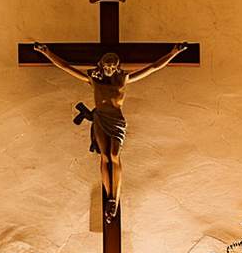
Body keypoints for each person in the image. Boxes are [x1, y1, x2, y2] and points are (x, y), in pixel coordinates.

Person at [32, 42, 188, 220]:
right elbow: (66, 67)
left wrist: (174, 52)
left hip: (116, 121)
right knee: (105, 156)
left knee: (114, 154)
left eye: (112, 67)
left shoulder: (123, 79)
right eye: (106, 66)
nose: (108, 69)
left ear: (117, 67)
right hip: (100, 119)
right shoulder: (94, 79)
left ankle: (116, 194)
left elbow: (153, 67)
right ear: (101, 65)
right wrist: (47, 52)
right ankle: (110, 197)